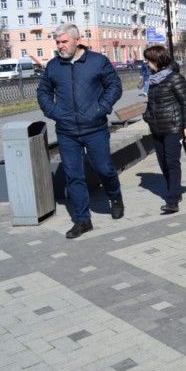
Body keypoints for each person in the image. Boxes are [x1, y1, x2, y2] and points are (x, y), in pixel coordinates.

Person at [37, 23, 124, 239]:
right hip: (66, 130)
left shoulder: (97, 61)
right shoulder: (54, 66)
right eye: (58, 42)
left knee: (104, 168)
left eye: (64, 41)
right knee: (73, 175)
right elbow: (43, 92)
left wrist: (100, 108)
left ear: (77, 41)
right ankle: (82, 220)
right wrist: (54, 112)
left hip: (94, 127)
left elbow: (114, 86)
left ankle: (115, 196)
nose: (60, 46)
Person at [142, 45, 186, 213]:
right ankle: (175, 190)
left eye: (148, 60)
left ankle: (172, 201)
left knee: (172, 162)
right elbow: (152, 103)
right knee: (163, 163)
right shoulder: (153, 80)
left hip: (173, 127)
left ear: (157, 60)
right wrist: (147, 116)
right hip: (157, 128)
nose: (146, 63)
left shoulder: (175, 78)